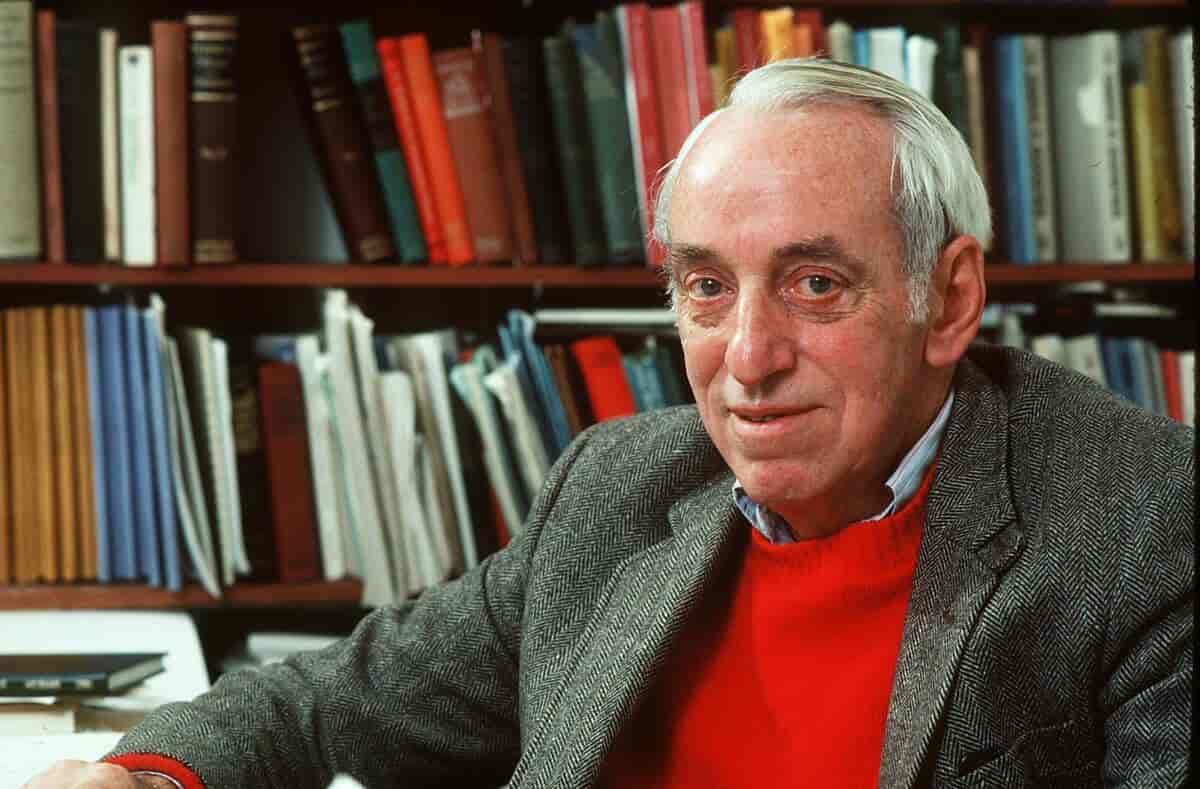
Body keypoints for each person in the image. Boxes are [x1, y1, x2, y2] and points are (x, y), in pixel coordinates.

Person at [25, 57, 1192, 789]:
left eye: (816, 285)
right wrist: (148, 775)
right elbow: (340, 702)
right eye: (705, 285)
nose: (748, 359)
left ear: (950, 300)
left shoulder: (1141, 526)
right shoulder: (625, 483)